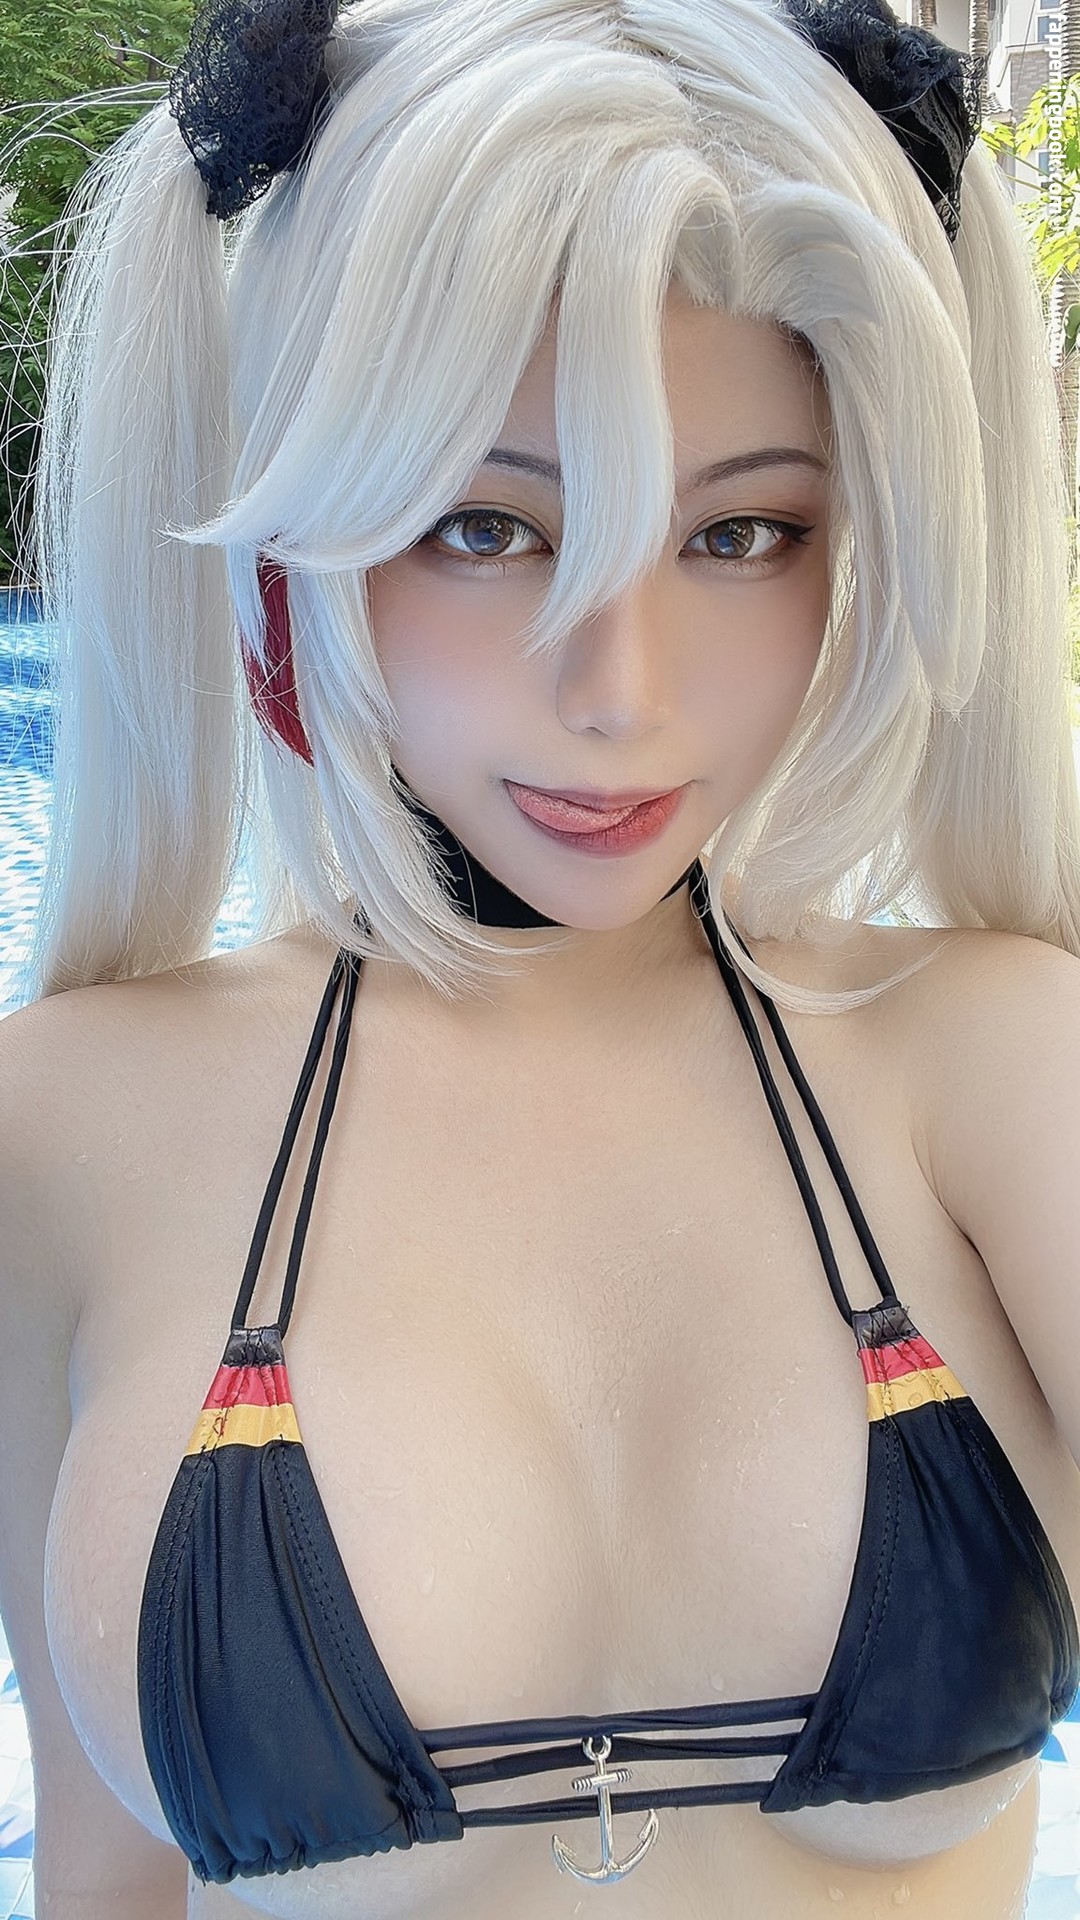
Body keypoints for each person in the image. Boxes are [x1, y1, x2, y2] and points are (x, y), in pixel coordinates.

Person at [0, 0, 1079, 1913]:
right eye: (483, 527)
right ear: (294, 539)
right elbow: (106, 1877)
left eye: (743, 535)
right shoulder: (69, 1118)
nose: (620, 693)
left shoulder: (1001, 1064)